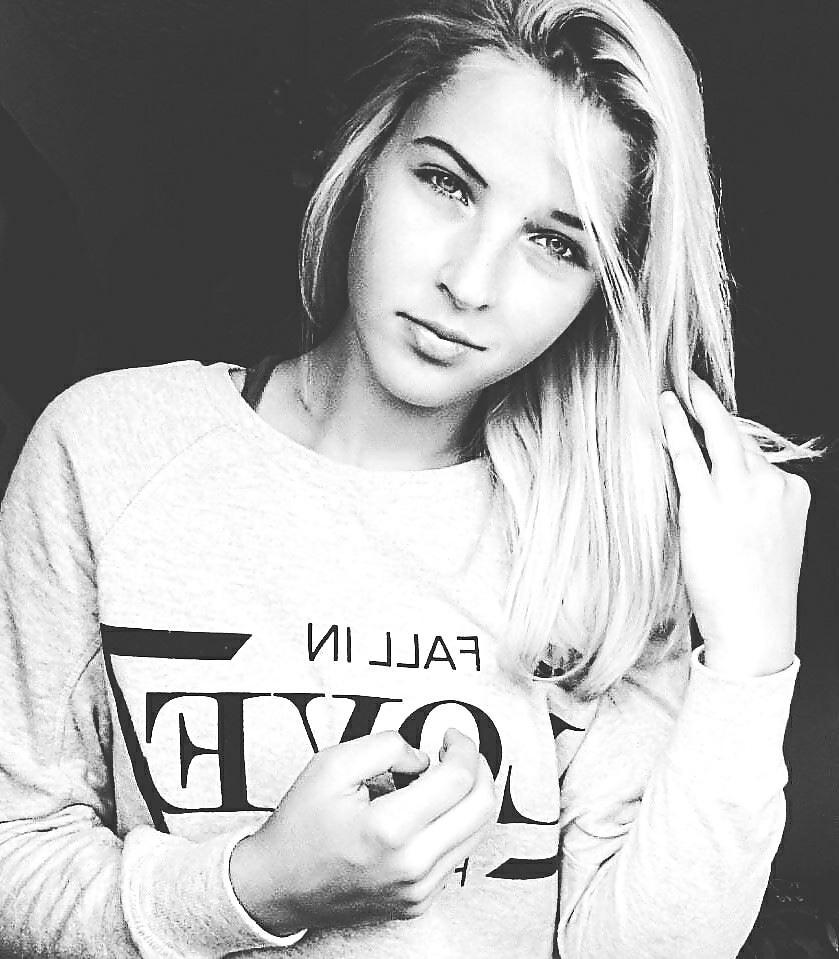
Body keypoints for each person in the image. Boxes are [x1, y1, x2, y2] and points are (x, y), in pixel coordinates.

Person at [0, 0, 815, 956]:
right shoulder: (109, 449)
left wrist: (752, 657)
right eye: (446, 183)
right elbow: (15, 859)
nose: (469, 282)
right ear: (365, 159)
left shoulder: (610, 535)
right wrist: (260, 885)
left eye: (556, 242)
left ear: (602, 292)